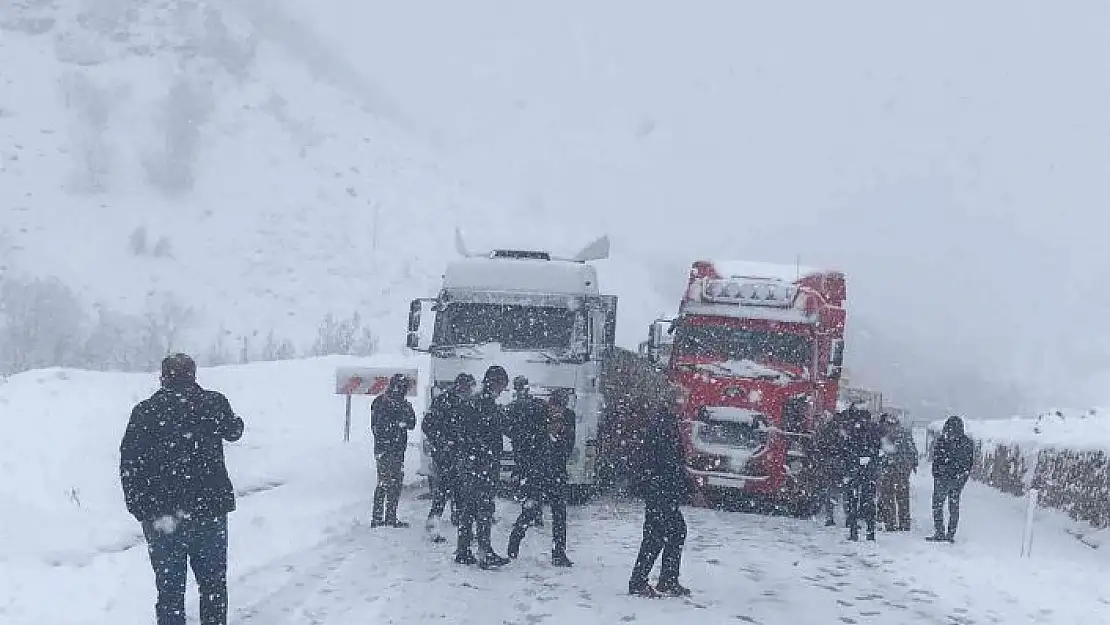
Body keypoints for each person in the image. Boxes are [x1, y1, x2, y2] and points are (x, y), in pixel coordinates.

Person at [119, 353, 245, 625]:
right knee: (212, 586)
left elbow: (129, 461)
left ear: (163, 377)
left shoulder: (145, 411)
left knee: (170, 592)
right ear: (193, 375)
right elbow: (234, 431)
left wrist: (139, 507)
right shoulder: (213, 403)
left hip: (162, 516)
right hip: (209, 510)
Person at [629, 395, 694, 597]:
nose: (680, 408)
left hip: (663, 489)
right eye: (677, 404)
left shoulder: (667, 423)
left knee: (673, 532)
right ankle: (639, 581)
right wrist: (687, 485)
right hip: (660, 488)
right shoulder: (662, 425)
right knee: (656, 536)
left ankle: (667, 578)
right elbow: (668, 461)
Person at [506, 387, 576, 567]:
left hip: (557, 473)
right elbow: (528, 442)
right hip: (537, 472)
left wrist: (559, 436)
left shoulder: (568, 418)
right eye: (555, 406)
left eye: (561, 407)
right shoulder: (538, 415)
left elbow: (568, 447)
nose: (557, 410)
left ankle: (558, 552)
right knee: (530, 510)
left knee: (559, 514)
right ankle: (514, 542)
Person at [454, 366, 512, 569]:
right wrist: (485, 458)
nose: (503, 390)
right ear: (495, 383)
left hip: (471, 464)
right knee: (484, 508)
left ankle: (463, 550)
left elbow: (464, 433)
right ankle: (484, 552)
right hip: (482, 465)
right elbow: (483, 435)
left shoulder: (475, 402)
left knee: (469, 508)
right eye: (502, 385)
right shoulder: (486, 405)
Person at [422, 373, 475, 542]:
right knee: (445, 489)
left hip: (458, 453)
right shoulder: (444, 401)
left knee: (459, 490)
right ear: (460, 386)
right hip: (446, 454)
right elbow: (427, 425)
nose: (469, 390)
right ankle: (434, 523)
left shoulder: (464, 402)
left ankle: (458, 522)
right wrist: (442, 442)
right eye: (467, 387)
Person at [370, 373, 417, 528]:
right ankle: (382, 517)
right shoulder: (385, 403)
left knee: (390, 483)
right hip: (389, 449)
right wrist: (398, 425)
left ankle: (385, 517)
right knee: (387, 483)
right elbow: (379, 427)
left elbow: (411, 423)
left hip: (390, 449)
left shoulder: (386, 403)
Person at [506, 376, 548, 526]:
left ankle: (531, 514)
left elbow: (506, 426)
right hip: (532, 449)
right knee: (533, 483)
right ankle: (534, 514)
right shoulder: (537, 404)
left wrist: (517, 435)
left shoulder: (514, 406)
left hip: (524, 450)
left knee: (528, 483)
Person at [927, 415, 975, 542]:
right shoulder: (966, 442)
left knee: (938, 505)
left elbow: (937, 459)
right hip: (955, 479)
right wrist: (962, 476)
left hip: (944, 478)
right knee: (953, 506)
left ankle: (940, 532)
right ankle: (950, 534)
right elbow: (968, 463)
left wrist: (937, 473)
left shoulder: (943, 440)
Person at [842, 404, 882, 541]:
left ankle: (854, 531)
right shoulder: (875, 430)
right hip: (869, 471)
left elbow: (847, 449)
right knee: (869, 501)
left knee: (853, 500)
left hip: (855, 469)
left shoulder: (853, 429)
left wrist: (851, 463)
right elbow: (878, 450)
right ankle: (870, 532)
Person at [877, 413, 919, 531]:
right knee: (901, 497)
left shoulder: (885, 435)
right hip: (900, 470)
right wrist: (912, 464)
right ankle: (903, 523)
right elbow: (912, 451)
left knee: (889, 496)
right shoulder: (905, 435)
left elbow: (880, 453)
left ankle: (891, 523)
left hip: (891, 470)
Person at [811, 411, 849, 527]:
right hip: (839, 463)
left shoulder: (826, 429)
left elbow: (819, 444)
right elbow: (845, 447)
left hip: (828, 462)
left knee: (830, 491)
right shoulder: (840, 432)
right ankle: (848, 518)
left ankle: (829, 517)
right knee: (845, 492)